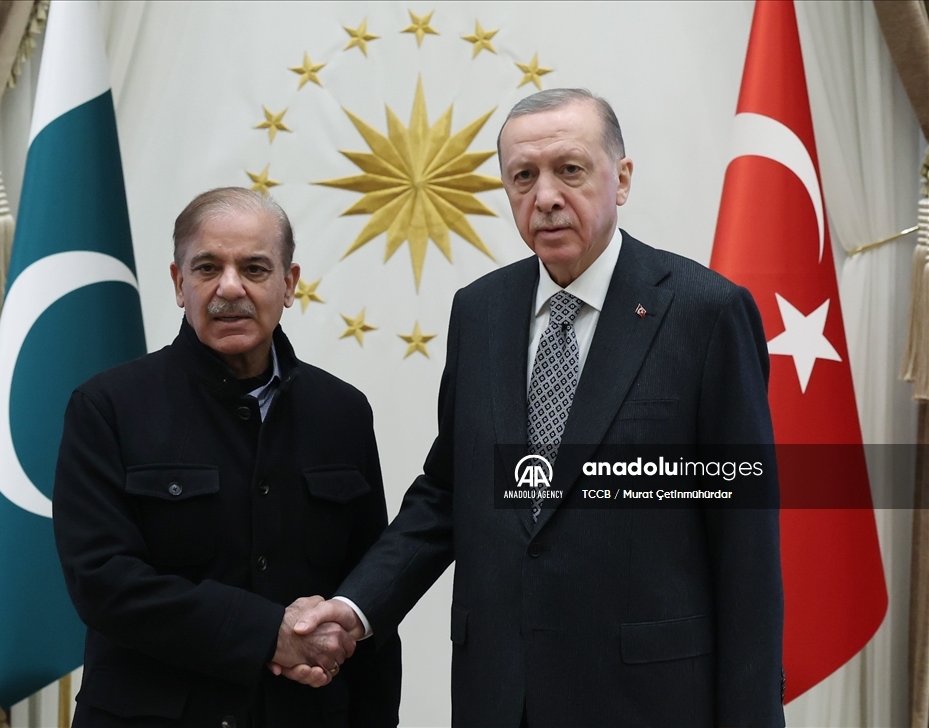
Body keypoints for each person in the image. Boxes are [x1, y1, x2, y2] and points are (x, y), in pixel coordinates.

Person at [290, 89, 785, 727]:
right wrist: (357, 607)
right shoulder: (480, 312)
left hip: (648, 699)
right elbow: (449, 491)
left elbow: (746, 545)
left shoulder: (706, 313)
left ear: (621, 179)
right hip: (501, 697)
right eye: (523, 177)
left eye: (569, 170)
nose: (545, 196)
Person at [52, 187, 401, 727]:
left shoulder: (343, 413)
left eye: (255, 269)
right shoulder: (107, 407)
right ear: (179, 283)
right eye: (208, 268)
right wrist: (268, 635)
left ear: (289, 284)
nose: (230, 288)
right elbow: (104, 583)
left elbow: (368, 591)